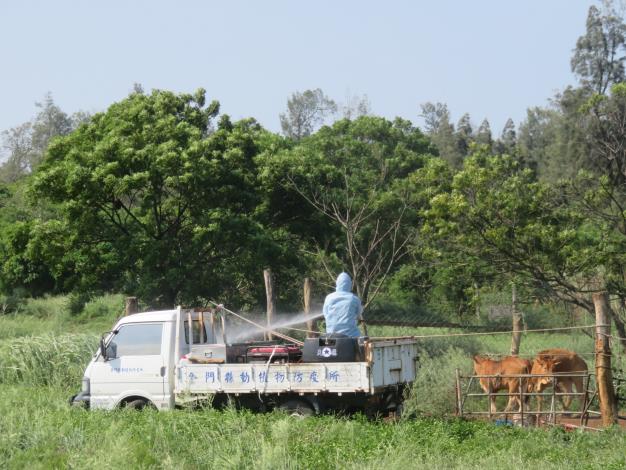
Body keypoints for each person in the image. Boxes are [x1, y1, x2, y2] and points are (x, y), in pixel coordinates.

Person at [323, 272, 362, 337]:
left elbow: (325, 314)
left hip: (331, 336)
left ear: (337, 283)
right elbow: (359, 313)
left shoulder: (329, 298)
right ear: (350, 284)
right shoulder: (354, 299)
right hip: (351, 337)